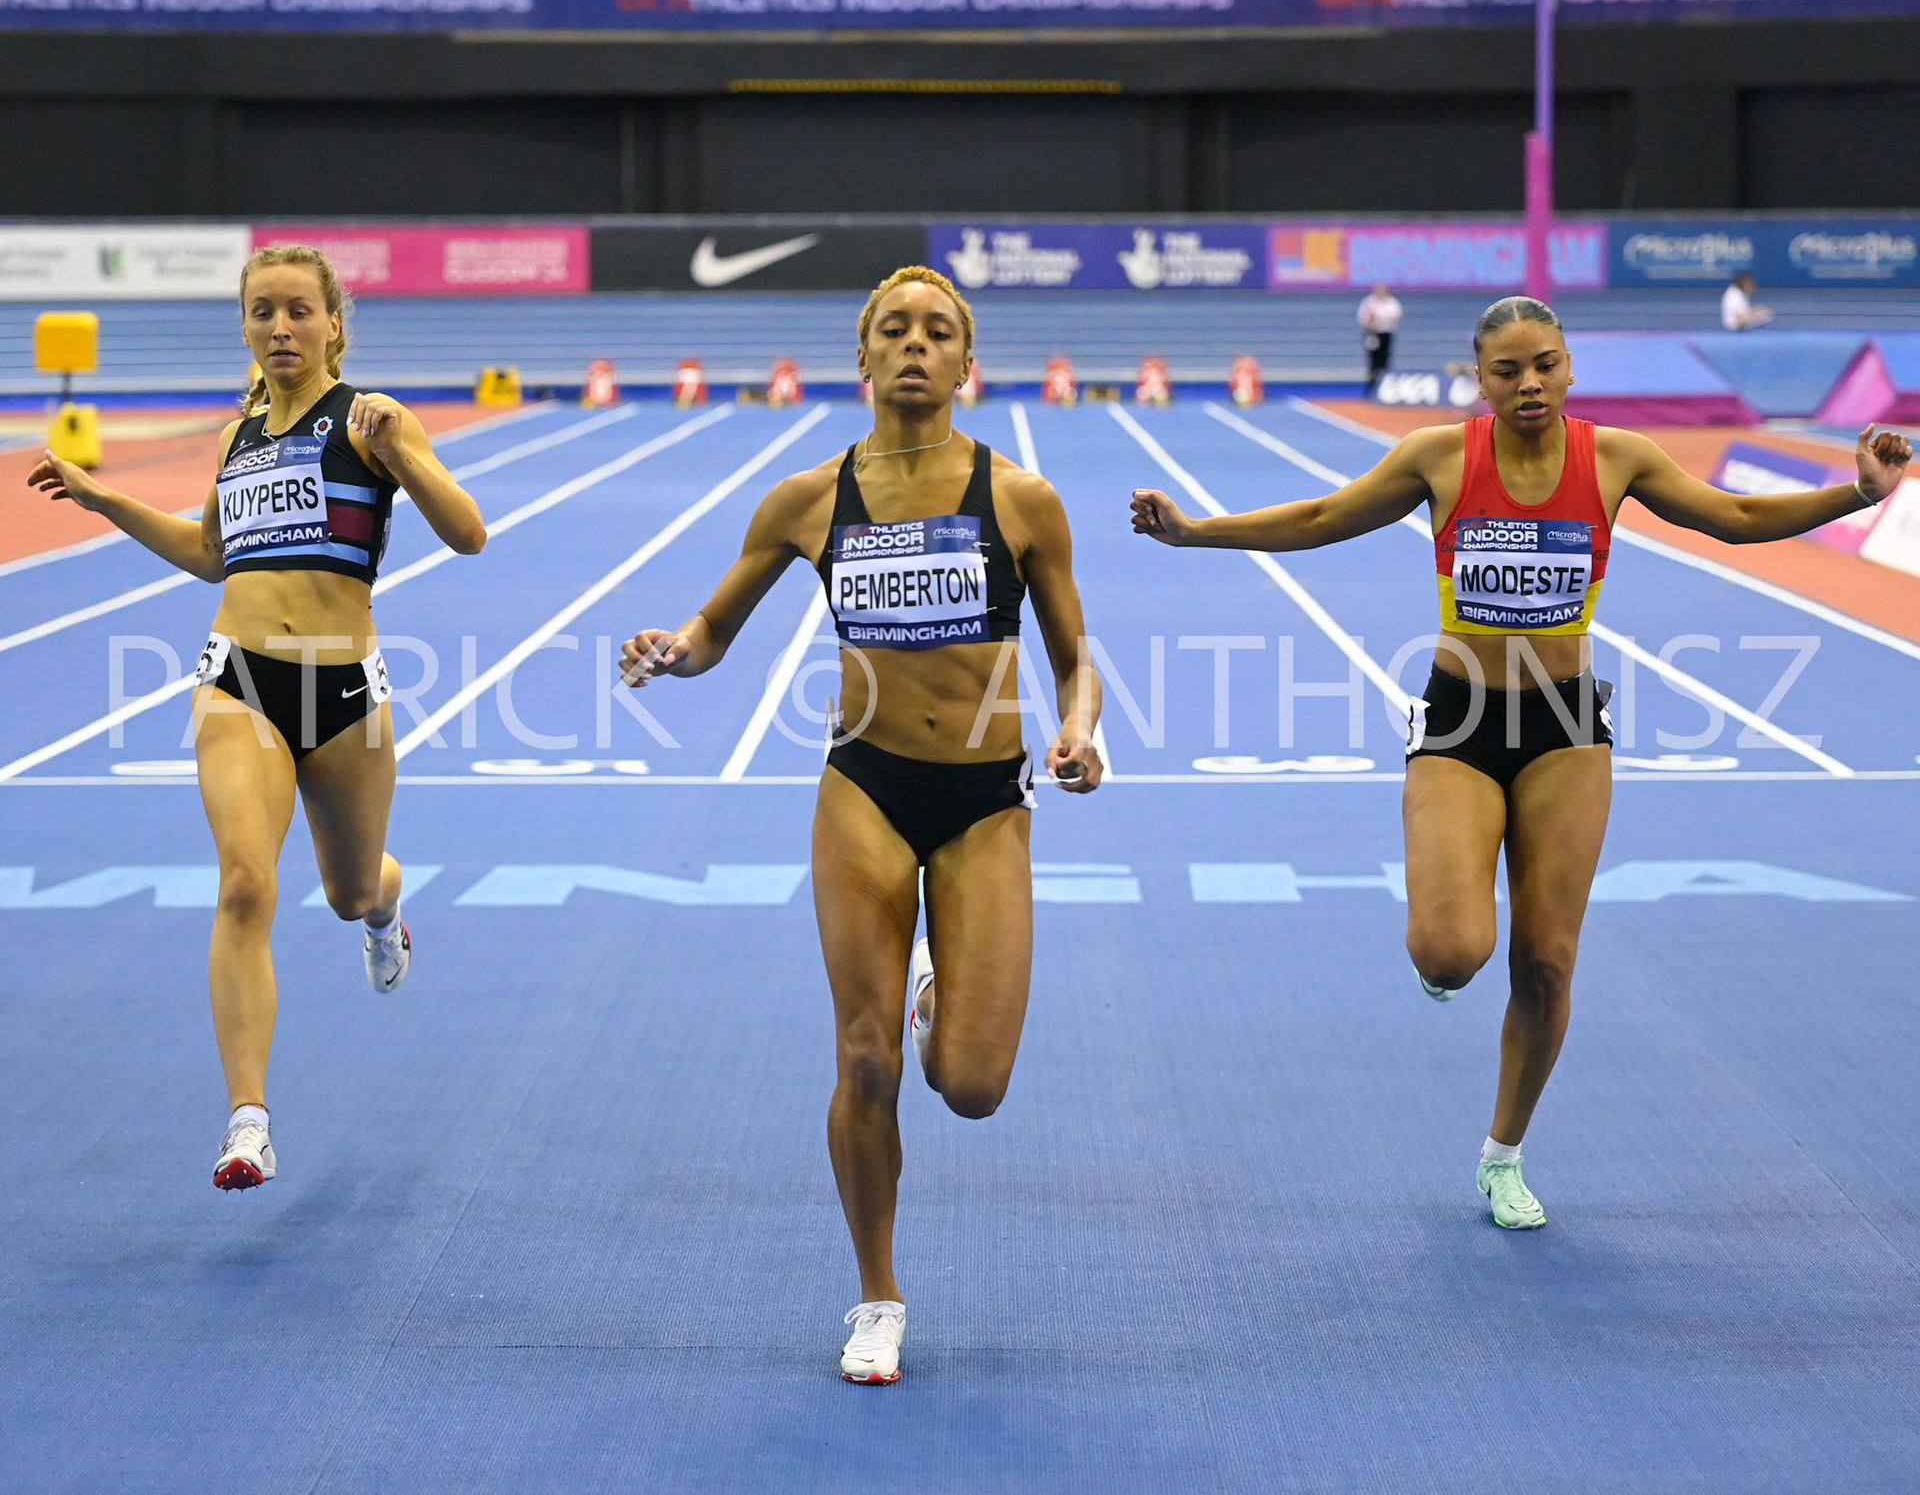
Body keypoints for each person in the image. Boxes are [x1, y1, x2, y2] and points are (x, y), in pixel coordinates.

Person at [1131, 295, 1910, 1231]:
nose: (1529, 383)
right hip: (1461, 722)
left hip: (1567, 726)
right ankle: (1442, 940)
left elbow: (1735, 515)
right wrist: (1196, 531)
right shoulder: (1442, 457)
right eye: (1507, 370)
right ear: (1481, 379)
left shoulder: (1615, 458)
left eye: (1544, 363)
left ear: (1569, 365)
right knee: (1452, 952)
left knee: (1547, 961)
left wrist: (1857, 493)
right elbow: (1325, 515)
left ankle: (1503, 1153)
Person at [620, 265, 1103, 1383]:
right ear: (864, 356)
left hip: (985, 800)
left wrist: (1084, 735)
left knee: (971, 1087)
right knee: (863, 1054)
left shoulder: (1021, 500)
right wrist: (671, 651)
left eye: (940, 331)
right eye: (896, 329)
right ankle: (877, 1294)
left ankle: (938, 990)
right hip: (864, 787)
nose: (917, 345)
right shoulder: (806, 500)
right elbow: (713, 627)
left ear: (967, 364)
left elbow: (1078, 660)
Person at [27, 244, 486, 1192]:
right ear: (244, 326)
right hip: (238, 677)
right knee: (245, 882)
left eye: (298, 312)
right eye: (262, 312)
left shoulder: (369, 421)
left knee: (351, 889)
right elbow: (208, 552)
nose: (280, 327)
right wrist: (101, 494)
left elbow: (468, 531)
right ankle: (249, 1121)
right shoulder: (240, 438)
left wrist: (403, 451)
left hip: (345, 690)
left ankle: (386, 914)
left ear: (332, 325)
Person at [1358, 282, 1404, 392]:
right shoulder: (1369, 302)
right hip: (1372, 334)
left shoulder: (1392, 302)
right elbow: (1362, 319)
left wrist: (1383, 321)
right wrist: (1371, 322)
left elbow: (1397, 316)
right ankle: (1372, 385)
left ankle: (1384, 385)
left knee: (1385, 360)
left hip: (1386, 333)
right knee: (1373, 360)